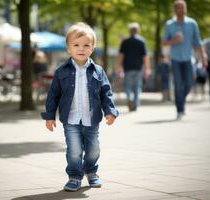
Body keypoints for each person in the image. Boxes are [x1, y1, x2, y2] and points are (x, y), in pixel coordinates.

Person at [41, 22, 119, 192]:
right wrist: (49, 116)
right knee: (74, 150)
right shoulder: (61, 71)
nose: (81, 49)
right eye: (76, 45)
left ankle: (91, 172)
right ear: (69, 48)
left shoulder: (98, 71)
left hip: (92, 119)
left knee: (93, 149)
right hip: (71, 119)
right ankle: (75, 176)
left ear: (92, 48)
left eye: (86, 45)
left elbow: (106, 93)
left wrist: (110, 112)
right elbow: (53, 94)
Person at [162, 0, 207, 120]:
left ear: (185, 9)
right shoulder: (169, 24)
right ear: (175, 9)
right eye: (178, 8)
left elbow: (198, 42)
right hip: (175, 59)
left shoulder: (192, 23)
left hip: (188, 59)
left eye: (182, 8)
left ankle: (180, 99)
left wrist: (203, 58)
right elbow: (164, 43)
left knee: (189, 82)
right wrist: (173, 41)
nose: (181, 10)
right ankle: (180, 110)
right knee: (178, 84)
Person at [116, 22, 150, 112]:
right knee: (137, 86)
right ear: (138, 31)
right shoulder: (141, 41)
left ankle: (130, 98)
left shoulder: (125, 42)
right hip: (138, 68)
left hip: (127, 68)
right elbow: (145, 56)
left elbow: (121, 55)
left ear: (130, 31)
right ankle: (135, 104)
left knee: (128, 86)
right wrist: (147, 68)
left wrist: (119, 66)